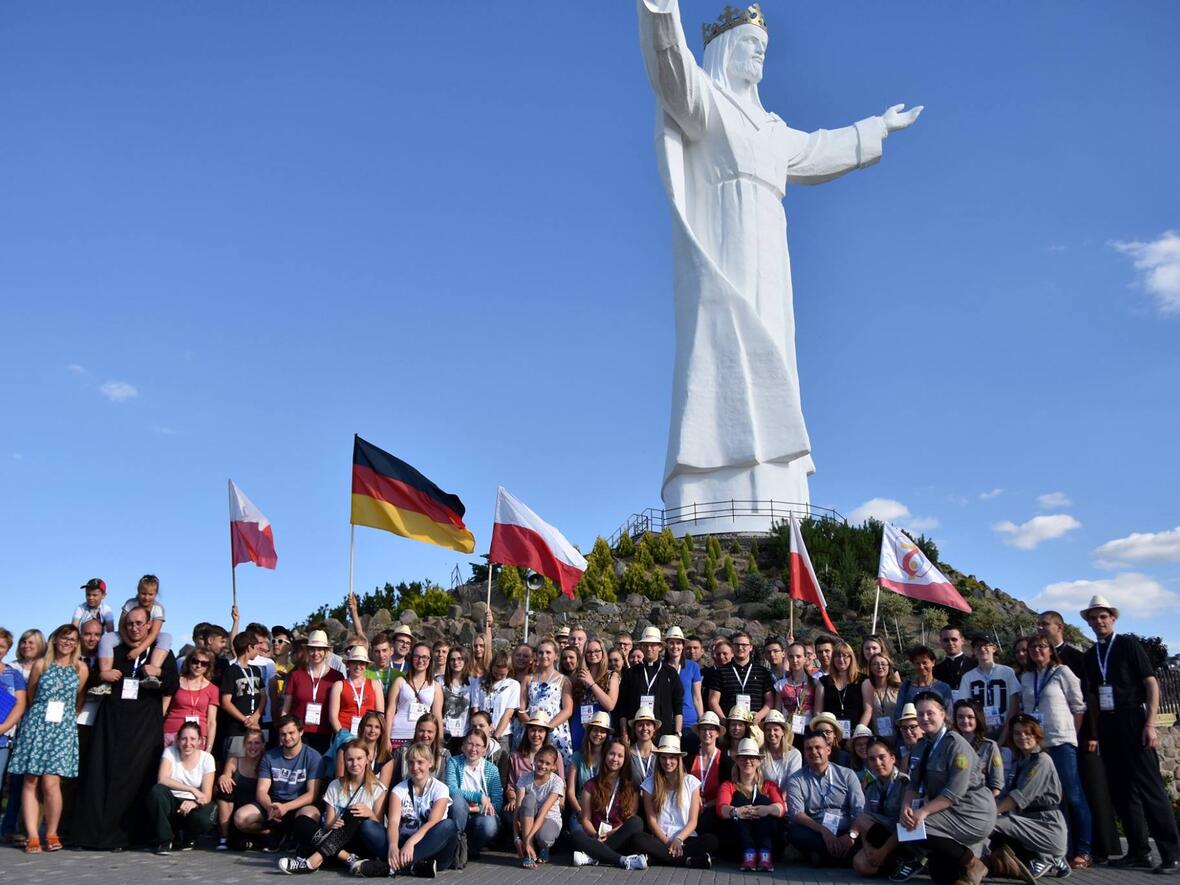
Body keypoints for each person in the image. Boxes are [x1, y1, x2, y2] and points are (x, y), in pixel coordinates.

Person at [1080, 594, 1180, 874]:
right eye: (1093, 617)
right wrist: (1097, 733)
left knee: (1151, 789)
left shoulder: (1128, 645)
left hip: (1133, 718)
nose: (1099, 621)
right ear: (1088, 622)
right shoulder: (1091, 655)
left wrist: (1149, 724)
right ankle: (1138, 851)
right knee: (1122, 791)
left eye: (1103, 616)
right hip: (1109, 725)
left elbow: (1151, 684)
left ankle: (1171, 853)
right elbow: (1094, 699)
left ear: (1113, 619)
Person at [73, 606, 179, 850]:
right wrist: (103, 676)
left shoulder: (160, 652)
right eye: (130, 623)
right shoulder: (113, 649)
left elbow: (172, 685)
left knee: (137, 780)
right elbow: (92, 680)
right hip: (111, 723)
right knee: (100, 776)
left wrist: (159, 672)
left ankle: (129, 838)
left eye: (140, 623)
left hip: (144, 726)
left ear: (149, 624)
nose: (135, 628)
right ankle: (92, 836)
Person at [1037, 610, 1117, 865]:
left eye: (1045, 625)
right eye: (1038, 625)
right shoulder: (1033, 672)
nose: (1041, 628)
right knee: (1055, 797)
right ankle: (1064, 848)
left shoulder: (1073, 659)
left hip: (1071, 737)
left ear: (1059, 627)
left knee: (1077, 792)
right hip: (1045, 742)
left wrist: (1089, 733)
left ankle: (1089, 848)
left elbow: (1086, 698)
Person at [892, 693, 996, 885]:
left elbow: (952, 793)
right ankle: (997, 863)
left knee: (920, 827)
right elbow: (913, 784)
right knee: (940, 872)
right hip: (945, 811)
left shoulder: (956, 746)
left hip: (973, 810)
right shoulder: (922, 745)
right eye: (920, 714)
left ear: (942, 714)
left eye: (929, 713)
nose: (924, 718)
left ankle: (975, 864)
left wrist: (921, 812)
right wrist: (905, 808)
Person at [9, 624, 87, 853]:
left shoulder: (80, 669)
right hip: (37, 726)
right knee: (31, 780)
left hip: (62, 729)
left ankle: (51, 832)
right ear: (54, 640)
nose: (67, 643)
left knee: (51, 783)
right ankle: (33, 835)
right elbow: (32, 695)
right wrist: (40, 718)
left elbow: (78, 699)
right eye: (64, 638)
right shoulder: (41, 665)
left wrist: (66, 721)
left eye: (72, 639)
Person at [1020, 635, 1092, 867]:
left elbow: (1078, 705)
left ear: (1051, 650)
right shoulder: (1027, 677)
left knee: (1072, 795)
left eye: (1042, 646)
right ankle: (1059, 849)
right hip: (1038, 746)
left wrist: (1073, 733)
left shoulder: (1063, 672)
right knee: (1049, 800)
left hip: (1061, 741)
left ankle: (1084, 849)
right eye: (1032, 647)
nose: (1037, 651)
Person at [277, 739, 389, 875]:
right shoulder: (335, 785)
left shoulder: (378, 789)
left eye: (359, 758)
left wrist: (369, 813)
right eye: (350, 760)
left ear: (368, 759)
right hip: (336, 842)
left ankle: (312, 861)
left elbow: (377, 826)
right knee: (302, 821)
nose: (355, 764)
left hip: (358, 841)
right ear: (344, 761)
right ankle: (348, 859)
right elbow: (328, 825)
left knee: (355, 811)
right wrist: (334, 824)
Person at [356, 741, 457, 878]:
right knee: (368, 826)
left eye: (420, 762)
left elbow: (432, 822)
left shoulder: (441, 789)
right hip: (401, 845)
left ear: (430, 763)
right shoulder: (399, 789)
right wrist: (392, 846)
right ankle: (413, 867)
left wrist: (410, 843)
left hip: (432, 847)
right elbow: (393, 822)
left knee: (448, 825)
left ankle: (390, 867)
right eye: (411, 762)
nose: (415, 767)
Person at [987, 715, 1070, 882]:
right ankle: (1052, 857)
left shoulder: (1042, 761)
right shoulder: (1021, 762)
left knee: (991, 823)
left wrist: (989, 814)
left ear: (1037, 735)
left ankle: (1048, 856)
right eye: (1017, 733)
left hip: (1047, 825)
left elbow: (1017, 798)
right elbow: (1005, 793)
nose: (1022, 737)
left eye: (1028, 733)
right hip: (1028, 821)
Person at [233, 715, 323, 850]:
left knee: (310, 816)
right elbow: (262, 791)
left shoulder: (314, 757)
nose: (287, 738)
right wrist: (270, 807)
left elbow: (311, 795)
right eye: (283, 734)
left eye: (291, 733)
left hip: (299, 804)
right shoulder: (269, 756)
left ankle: (294, 838)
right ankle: (271, 834)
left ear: (301, 732)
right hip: (274, 804)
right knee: (241, 818)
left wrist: (286, 807)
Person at [633, 735, 718, 868]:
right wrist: (668, 843)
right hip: (661, 838)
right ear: (658, 758)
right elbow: (652, 822)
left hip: (686, 838)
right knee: (638, 839)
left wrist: (678, 840)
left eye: (672, 757)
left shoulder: (691, 782)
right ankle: (688, 861)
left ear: (678, 759)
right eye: (663, 757)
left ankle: (658, 858)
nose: (667, 762)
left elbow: (693, 821)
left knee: (711, 841)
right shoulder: (649, 784)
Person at [786, 731, 864, 866]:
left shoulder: (847, 775)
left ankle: (825, 857)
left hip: (845, 828)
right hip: (817, 830)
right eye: (809, 749)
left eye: (818, 747)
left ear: (828, 750)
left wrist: (851, 835)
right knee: (795, 832)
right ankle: (843, 858)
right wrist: (824, 831)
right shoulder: (796, 779)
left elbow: (860, 809)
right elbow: (797, 814)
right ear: (804, 752)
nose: (813, 752)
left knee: (866, 831)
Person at [571, 737, 647, 869]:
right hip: (596, 837)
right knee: (576, 835)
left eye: (620, 756)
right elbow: (585, 819)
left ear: (625, 760)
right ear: (605, 755)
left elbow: (629, 818)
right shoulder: (590, 785)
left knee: (637, 822)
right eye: (611, 754)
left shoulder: (631, 786)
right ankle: (622, 860)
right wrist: (596, 835)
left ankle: (592, 857)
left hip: (621, 837)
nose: (615, 759)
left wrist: (609, 835)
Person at [0, 627, 44, 842]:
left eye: (31, 643)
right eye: (24, 642)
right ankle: (9, 827)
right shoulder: (13, 668)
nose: (26, 646)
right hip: (11, 731)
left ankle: (20, 828)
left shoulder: (43, 667)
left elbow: (25, 702)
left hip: (28, 730)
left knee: (23, 782)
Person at [147, 721, 216, 853]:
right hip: (171, 802)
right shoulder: (170, 752)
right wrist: (192, 789)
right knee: (156, 791)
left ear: (200, 741)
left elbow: (206, 795)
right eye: (184, 738)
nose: (187, 743)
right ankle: (165, 840)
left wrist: (194, 803)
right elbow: (162, 779)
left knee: (207, 817)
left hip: (193, 805)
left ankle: (190, 838)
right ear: (177, 740)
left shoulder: (207, 758)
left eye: (192, 739)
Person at [718, 737, 786, 871]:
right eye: (743, 757)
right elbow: (721, 809)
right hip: (738, 842)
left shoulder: (769, 785)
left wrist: (766, 809)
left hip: (766, 838)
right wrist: (737, 811)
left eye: (752, 758)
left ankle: (764, 855)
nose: (748, 761)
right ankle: (749, 853)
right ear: (737, 760)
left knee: (763, 801)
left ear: (759, 761)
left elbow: (781, 808)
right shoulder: (728, 785)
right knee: (738, 799)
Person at [851, 739, 909, 877]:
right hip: (880, 837)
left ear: (893, 758)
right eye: (872, 759)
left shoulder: (905, 784)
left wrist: (883, 851)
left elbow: (906, 827)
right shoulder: (872, 787)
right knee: (860, 864)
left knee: (862, 818)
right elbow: (863, 825)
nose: (877, 763)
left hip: (902, 839)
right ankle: (898, 865)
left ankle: (904, 860)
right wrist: (868, 848)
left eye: (882, 757)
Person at [503, 711, 565, 837]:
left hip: (548, 806)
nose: (536, 734)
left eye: (540, 731)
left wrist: (561, 803)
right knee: (510, 816)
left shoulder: (555, 755)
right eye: (533, 730)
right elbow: (511, 786)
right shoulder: (515, 757)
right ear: (527, 732)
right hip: (524, 804)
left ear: (546, 733)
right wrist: (513, 799)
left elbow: (561, 782)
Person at [444, 729, 502, 861]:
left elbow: (497, 803)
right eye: (470, 744)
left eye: (478, 745)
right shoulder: (454, 762)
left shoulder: (492, 769)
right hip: (459, 813)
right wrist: (479, 797)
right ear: (463, 745)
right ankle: (457, 845)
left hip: (479, 815)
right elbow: (451, 789)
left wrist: (475, 809)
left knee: (490, 825)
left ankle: (470, 848)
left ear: (484, 749)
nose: (473, 749)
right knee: (457, 801)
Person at [282, 630, 342, 755]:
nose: (316, 653)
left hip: (324, 734)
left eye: (320, 649)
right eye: (312, 649)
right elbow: (285, 709)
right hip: (297, 733)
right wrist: (283, 733)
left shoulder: (336, 677)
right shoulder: (296, 675)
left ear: (326, 652)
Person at [620, 627, 683, 740]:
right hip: (635, 734)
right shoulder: (631, 673)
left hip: (664, 734)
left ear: (660, 647)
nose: (649, 649)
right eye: (645, 645)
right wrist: (624, 733)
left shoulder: (670, 673)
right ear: (641, 647)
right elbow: (622, 706)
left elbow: (677, 705)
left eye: (653, 645)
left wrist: (677, 733)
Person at [954, 635, 1020, 740]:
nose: (982, 648)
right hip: (980, 731)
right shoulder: (968, 677)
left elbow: (1014, 705)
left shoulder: (1007, 672)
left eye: (986, 645)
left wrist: (1004, 736)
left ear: (994, 648)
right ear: (974, 651)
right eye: (978, 646)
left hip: (1006, 729)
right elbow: (964, 705)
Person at [520, 638, 575, 764]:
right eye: (540, 652)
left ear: (555, 656)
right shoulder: (528, 679)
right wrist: (533, 728)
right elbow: (521, 709)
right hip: (532, 730)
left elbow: (568, 710)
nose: (544, 656)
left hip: (555, 729)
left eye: (548, 652)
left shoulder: (564, 680)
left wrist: (547, 728)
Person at [112, 575, 172, 689]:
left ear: (156, 594)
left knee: (166, 637)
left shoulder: (158, 608)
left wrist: (139, 650)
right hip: (128, 634)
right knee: (106, 639)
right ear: (138, 591)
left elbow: (154, 633)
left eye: (151, 594)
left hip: (148, 636)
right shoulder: (130, 603)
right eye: (143, 593)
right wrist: (129, 643)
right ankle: (105, 673)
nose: (146, 598)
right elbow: (121, 626)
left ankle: (152, 672)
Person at [513, 744, 565, 868]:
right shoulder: (524, 778)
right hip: (529, 818)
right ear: (535, 759)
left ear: (553, 767)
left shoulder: (557, 782)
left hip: (549, 818)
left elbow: (543, 812)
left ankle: (542, 847)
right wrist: (516, 838)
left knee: (544, 837)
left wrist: (528, 837)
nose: (542, 766)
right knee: (529, 799)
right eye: (540, 761)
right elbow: (518, 808)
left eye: (547, 764)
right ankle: (528, 853)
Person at [327, 646, 383, 758]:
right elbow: (333, 716)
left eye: (362, 663)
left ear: (366, 666)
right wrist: (344, 736)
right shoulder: (339, 685)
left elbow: (380, 714)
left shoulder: (375, 684)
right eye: (354, 663)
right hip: (344, 737)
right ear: (348, 664)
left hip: (368, 737)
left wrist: (373, 735)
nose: (358, 666)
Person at [0, 627, 29, 846]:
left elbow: (20, 703)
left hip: (6, 738)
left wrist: (3, 728)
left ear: (8, 649)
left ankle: (7, 829)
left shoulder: (13, 674)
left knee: (10, 786)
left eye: (2, 646)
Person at [384, 642, 441, 751]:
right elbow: (390, 711)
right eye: (417, 656)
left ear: (430, 660)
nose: (420, 660)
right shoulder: (400, 682)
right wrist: (386, 739)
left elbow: (437, 715)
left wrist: (439, 740)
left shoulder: (435, 686)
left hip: (423, 737)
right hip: (398, 735)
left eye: (425, 657)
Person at [215, 727, 265, 850]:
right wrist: (223, 777)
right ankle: (224, 836)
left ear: (263, 745)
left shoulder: (266, 763)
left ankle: (268, 833)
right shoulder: (234, 761)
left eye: (257, 743)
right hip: (236, 807)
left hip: (256, 809)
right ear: (244, 744)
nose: (253, 747)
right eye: (249, 743)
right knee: (224, 789)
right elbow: (226, 775)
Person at [708, 631, 774, 724]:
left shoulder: (762, 672)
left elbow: (770, 701)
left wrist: (760, 716)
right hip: (730, 725)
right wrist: (724, 720)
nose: (740, 648)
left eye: (744, 645)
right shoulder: (720, 671)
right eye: (736, 644)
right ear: (732, 647)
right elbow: (713, 700)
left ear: (750, 647)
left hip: (754, 724)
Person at [164, 649, 219, 750]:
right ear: (189, 662)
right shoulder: (175, 682)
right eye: (195, 661)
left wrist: (209, 748)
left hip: (197, 737)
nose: (198, 666)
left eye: (204, 663)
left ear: (208, 667)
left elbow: (211, 721)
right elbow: (162, 710)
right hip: (172, 733)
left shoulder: (213, 689)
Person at [571, 638, 619, 753]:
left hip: (600, 724)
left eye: (597, 651)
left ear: (603, 652)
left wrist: (591, 683)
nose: (593, 654)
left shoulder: (611, 675)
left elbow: (610, 705)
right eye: (589, 652)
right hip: (579, 723)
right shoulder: (579, 675)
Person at [566, 710, 612, 827]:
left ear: (607, 735)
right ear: (589, 732)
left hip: (603, 810)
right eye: (595, 730)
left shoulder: (610, 758)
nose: (598, 734)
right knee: (579, 834)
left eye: (602, 731)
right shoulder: (577, 756)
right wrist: (579, 811)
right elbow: (571, 792)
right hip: (581, 808)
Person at [951, 699, 1005, 795]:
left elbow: (996, 786)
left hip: (979, 804)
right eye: (960, 717)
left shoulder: (989, 746)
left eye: (970, 717)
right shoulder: (950, 744)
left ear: (978, 719)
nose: (965, 721)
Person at [335, 710, 395, 786]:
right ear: (362, 727)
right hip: (346, 795)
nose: (372, 730)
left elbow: (383, 790)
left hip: (373, 797)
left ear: (381, 731)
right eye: (369, 726)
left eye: (377, 727)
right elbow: (340, 782)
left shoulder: (387, 758)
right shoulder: (345, 749)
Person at [819, 640, 864, 738]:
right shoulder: (823, 681)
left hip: (857, 735)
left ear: (851, 658)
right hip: (831, 735)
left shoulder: (863, 680)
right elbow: (818, 711)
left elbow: (868, 710)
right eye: (837, 656)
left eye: (845, 656)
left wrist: (859, 731)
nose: (841, 659)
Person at [438, 646, 477, 755]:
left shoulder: (473, 682)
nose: (456, 662)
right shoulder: (439, 681)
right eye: (453, 659)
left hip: (464, 734)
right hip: (445, 733)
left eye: (460, 659)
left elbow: (475, 708)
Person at [391, 714, 451, 784]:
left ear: (436, 733)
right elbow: (394, 781)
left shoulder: (444, 755)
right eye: (421, 731)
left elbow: (446, 784)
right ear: (416, 731)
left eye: (429, 732)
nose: (425, 735)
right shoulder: (402, 752)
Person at [478, 650, 519, 749]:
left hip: (502, 735)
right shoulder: (481, 682)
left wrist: (495, 737)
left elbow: (508, 713)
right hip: (481, 732)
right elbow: (477, 707)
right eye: (496, 673)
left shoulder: (513, 684)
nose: (499, 676)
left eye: (502, 674)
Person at [895, 646, 953, 715]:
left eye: (924, 662)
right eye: (917, 663)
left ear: (933, 662)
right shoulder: (906, 687)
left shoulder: (943, 688)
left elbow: (949, 714)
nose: (921, 667)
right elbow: (898, 713)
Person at [778, 641, 819, 736]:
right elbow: (777, 713)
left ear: (805, 658)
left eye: (798, 656)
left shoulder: (815, 683)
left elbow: (818, 711)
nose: (795, 660)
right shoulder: (780, 685)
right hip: (788, 731)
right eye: (791, 656)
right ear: (787, 658)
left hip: (809, 731)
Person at [761, 709, 801, 793]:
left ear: (783, 731)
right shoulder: (760, 754)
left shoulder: (795, 754)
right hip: (766, 799)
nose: (771, 733)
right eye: (768, 730)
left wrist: (781, 802)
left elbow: (793, 783)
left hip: (789, 799)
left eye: (775, 730)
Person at [862, 652, 901, 738]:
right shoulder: (867, 689)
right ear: (870, 668)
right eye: (875, 664)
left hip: (899, 736)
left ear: (889, 667)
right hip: (877, 738)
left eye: (883, 664)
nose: (880, 667)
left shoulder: (898, 688)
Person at [933, 626, 975, 691]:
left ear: (962, 641)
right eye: (946, 640)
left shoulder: (975, 666)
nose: (950, 643)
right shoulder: (935, 670)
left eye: (954, 639)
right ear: (941, 642)